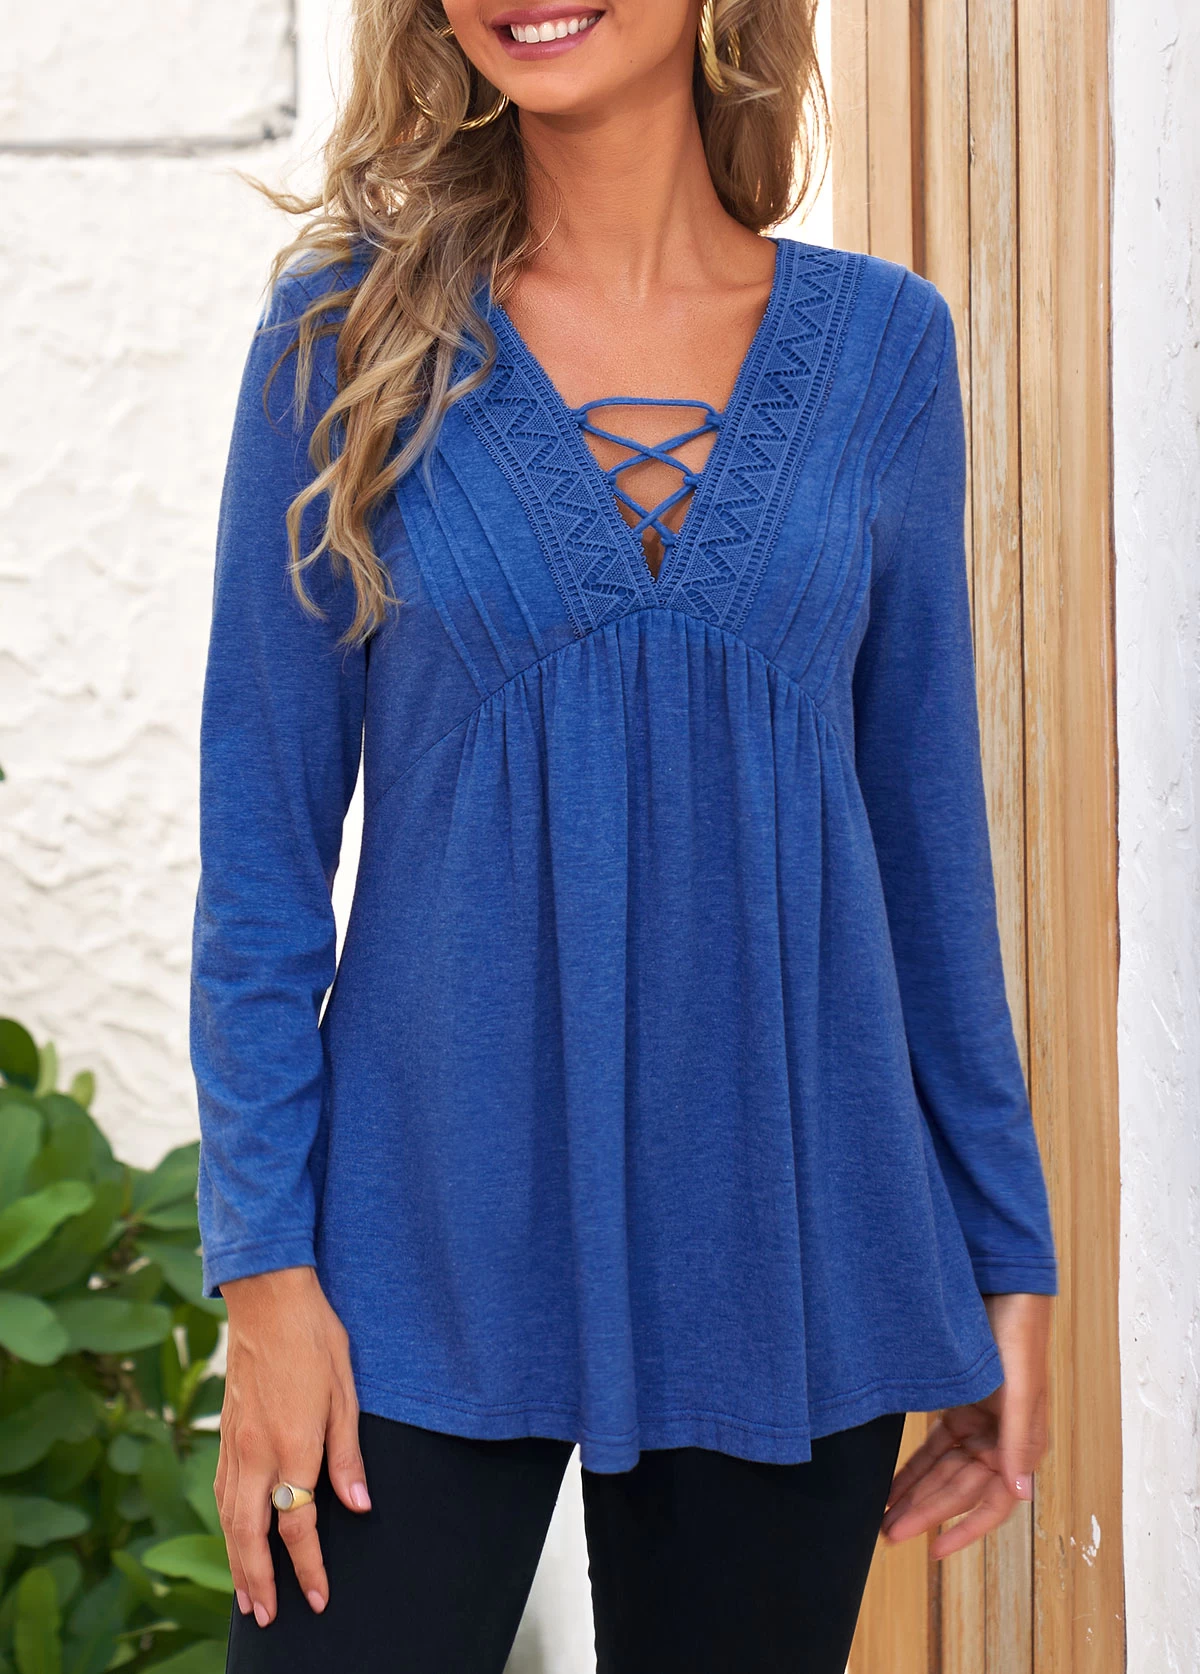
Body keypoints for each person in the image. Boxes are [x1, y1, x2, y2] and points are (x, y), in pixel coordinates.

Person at [188, 1, 1059, 1669]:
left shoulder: (883, 353)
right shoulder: (345, 341)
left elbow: (926, 852)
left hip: (789, 1234)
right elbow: (260, 871)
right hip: (413, 1254)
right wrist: (267, 1277)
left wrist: (1000, 1247)